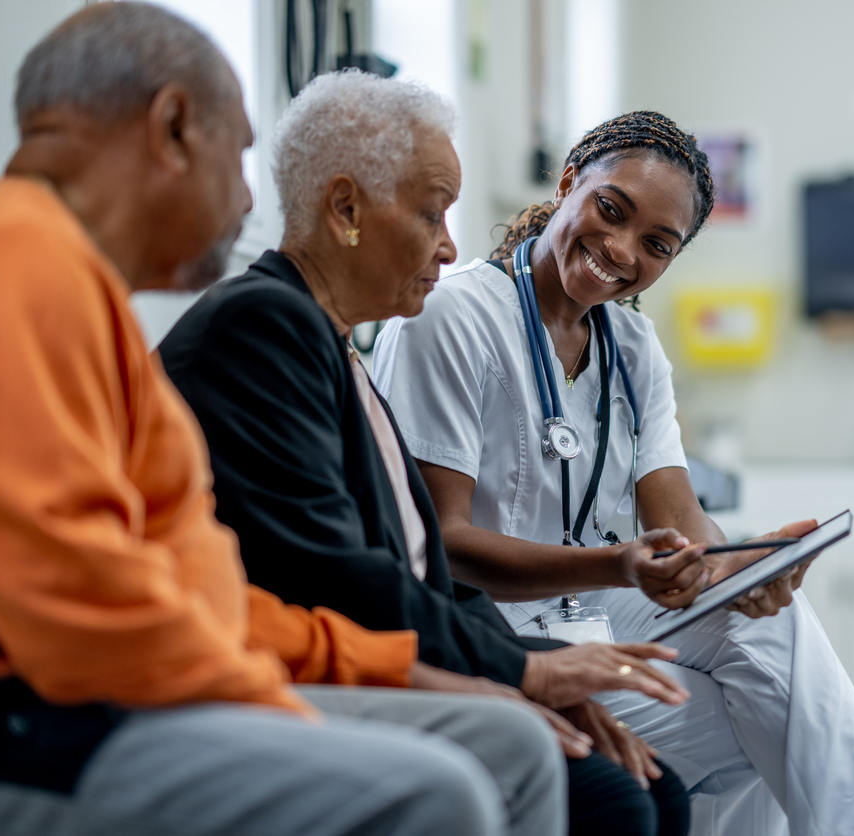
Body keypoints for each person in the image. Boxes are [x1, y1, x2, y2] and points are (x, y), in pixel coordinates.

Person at [0, 6, 560, 836]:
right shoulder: (13, 257)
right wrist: (276, 703)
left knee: (511, 742)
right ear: (172, 128)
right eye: (240, 153)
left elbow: (201, 593)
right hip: (24, 718)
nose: (249, 197)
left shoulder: (97, 312)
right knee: (440, 791)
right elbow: (77, 606)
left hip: (135, 685)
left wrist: (389, 670)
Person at [159, 70, 691, 836]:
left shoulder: (332, 346)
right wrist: (520, 671)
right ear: (346, 209)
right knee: (615, 801)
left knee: (652, 787)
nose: (448, 246)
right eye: (430, 213)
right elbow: (336, 575)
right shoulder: (262, 327)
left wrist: (532, 671)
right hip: (300, 662)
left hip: (378, 639)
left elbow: (430, 577)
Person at [371, 111, 854, 836]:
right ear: (569, 181)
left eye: (656, 245)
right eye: (611, 210)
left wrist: (742, 567)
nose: (620, 250)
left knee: (771, 637)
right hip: (489, 629)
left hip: (588, 613)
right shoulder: (452, 318)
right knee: (761, 733)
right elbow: (441, 549)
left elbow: (682, 523)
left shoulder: (632, 345)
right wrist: (620, 564)